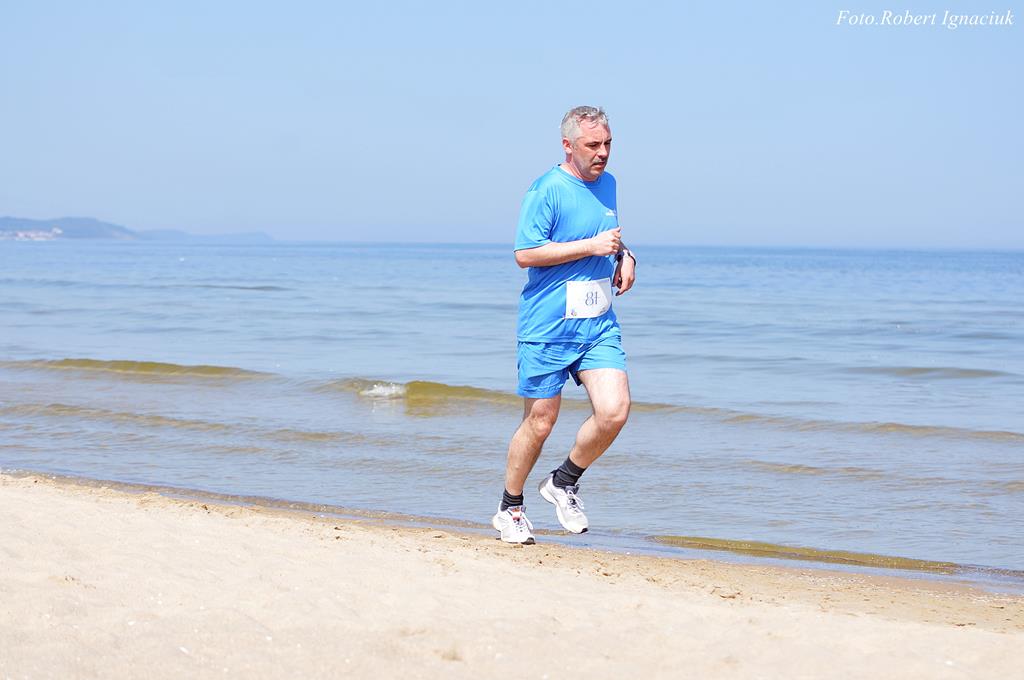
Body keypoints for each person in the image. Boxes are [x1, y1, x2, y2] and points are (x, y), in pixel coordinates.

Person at [492, 105, 637, 544]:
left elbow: (608, 235)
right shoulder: (546, 190)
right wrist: (590, 246)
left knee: (614, 411)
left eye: (608, 143)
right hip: (548, 325)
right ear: (568, 145)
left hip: (597, 324)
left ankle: (563, 481)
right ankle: (510, 508)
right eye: (593, 145)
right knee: (540, 421)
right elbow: (525, 253)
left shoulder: (609, 184)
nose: (603, 153)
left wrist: (625, 255)